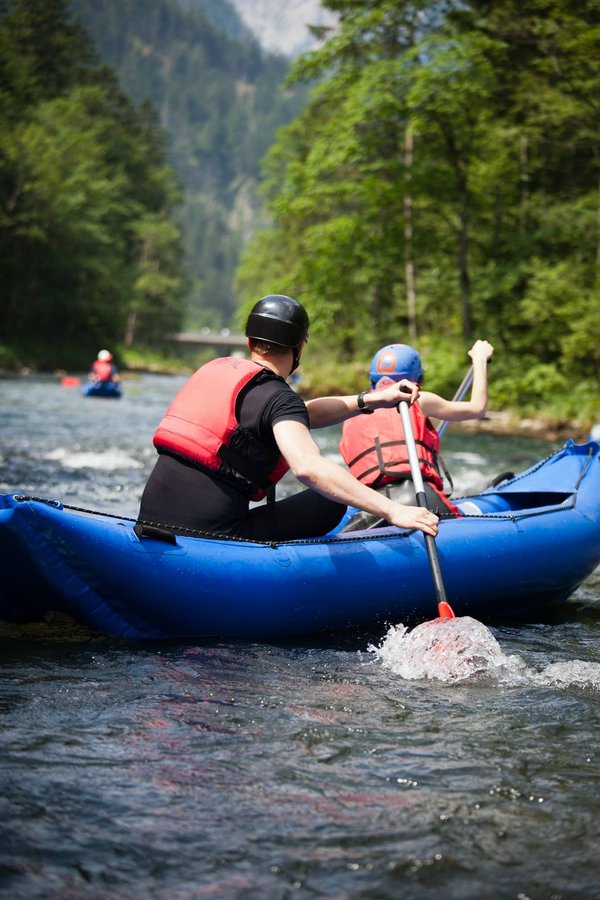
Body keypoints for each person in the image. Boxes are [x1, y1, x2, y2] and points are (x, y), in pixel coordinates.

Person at [136, 295, 439, 543]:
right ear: (298, 347)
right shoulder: (278, 399)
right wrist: (393, 511)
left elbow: (299, 414)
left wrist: (369, 400)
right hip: (214, 537)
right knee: (329, 500)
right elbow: (308, 468)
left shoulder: (220, 372)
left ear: (250, 341)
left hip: (150, 520)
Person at [339, 340, 494, 529]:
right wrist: (480, 359)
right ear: (416, 380)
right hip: (420, 497)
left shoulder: (352, 410)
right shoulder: (419, 399)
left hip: (371, 506)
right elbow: (477, 408)